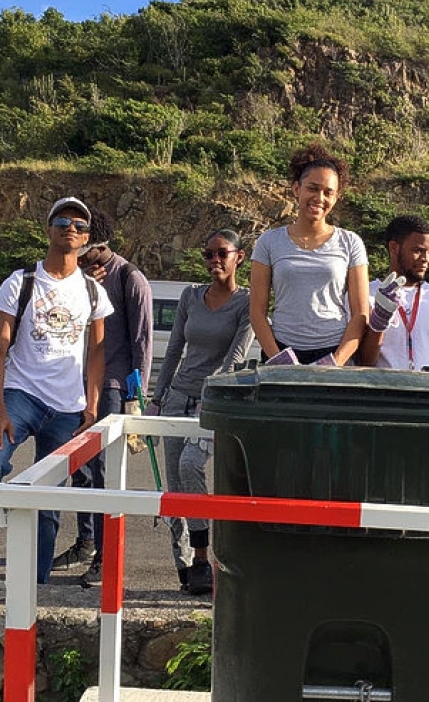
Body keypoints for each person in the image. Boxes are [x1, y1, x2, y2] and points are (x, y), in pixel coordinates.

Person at [0, 196, 113, 610]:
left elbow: (97, 354)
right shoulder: (21, 281)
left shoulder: (94, 291)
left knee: (48, 497)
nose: (71, 229)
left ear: (87, 237)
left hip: (67, 408)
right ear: (48, 229)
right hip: (20, 396)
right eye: (63, 221)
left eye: (80, 225)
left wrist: (92, 409)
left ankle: (36, 582)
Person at [51, 208, 153, 589]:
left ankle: (109, 557)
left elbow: (142, 342)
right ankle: (86, 541)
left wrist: (136, 395)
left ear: (100, 245)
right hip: (77, 385)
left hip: (113, 385)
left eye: (86, 247)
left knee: (107, 475)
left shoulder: (131, 278)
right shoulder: (78, 276)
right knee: (80, 467)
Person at [148, 229, 254, 595]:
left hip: (213, 399)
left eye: (222, 253)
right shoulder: (190, 296)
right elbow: (174, 349)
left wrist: (213, 394)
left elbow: (235, 358)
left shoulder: (246, 302)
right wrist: (157, 397)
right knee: (174, 489)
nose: (214, 261)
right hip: (179, 394)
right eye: (208, 254)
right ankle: (184, 567)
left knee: (190, 465)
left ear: (238, 256)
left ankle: (203, 556)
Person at [250, 143, 369, 365]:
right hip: (282, 349)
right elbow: (257, 313)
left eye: (328, 192)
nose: (319, 198)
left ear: (336, 197)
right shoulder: (268, 242)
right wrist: (278, 359)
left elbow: (360, 315)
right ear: (297, 189)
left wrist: (335, 361)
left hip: (334, 351)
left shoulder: (351, 243)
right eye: (312, 189)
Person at [359, 215, 429, 379]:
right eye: (418, 250)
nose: (426, 259)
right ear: (394, 248)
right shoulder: (365, 294)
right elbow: (361, 364)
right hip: (383, 396)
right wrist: (378, 323)